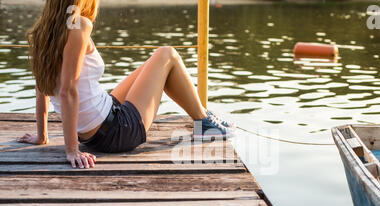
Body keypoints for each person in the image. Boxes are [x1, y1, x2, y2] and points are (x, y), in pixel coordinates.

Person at [18, 0, 234, 169]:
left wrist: (42, 136)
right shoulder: (79, 25)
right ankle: (203, 121)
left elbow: (41, 88)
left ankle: (202, 115)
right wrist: (72, 150)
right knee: (167, 54)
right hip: (116, 133)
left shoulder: (43, 32)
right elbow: (67, 91)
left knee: (153, 65)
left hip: (99, 125)